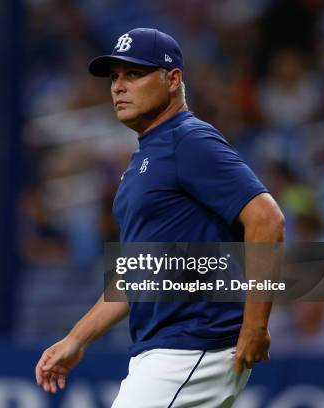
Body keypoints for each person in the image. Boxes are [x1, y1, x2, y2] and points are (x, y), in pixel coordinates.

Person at [35, 28, 285, 407]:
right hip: (166, 349)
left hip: (193, 344)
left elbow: (267, 219)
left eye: (134, 74)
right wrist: (77, 338)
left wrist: (255, 325)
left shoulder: (189, 140)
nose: (119, 86)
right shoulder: (147, 156)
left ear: (173, 80)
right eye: (115, 76)